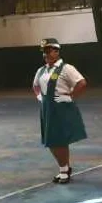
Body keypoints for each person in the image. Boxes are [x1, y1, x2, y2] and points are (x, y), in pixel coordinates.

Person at [32, 38, 88, 183]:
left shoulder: (66, 68)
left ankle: (64, 169)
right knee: (50, 140)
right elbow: (35, 85)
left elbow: (81, 83)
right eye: (44, 52)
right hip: (47, 108)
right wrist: (39, 96)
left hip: (61, 107)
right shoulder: (41, 70)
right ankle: (64, 166)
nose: (46, 55)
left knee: (60, 139)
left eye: (49, 51)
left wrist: (71, 97)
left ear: (57, 51)